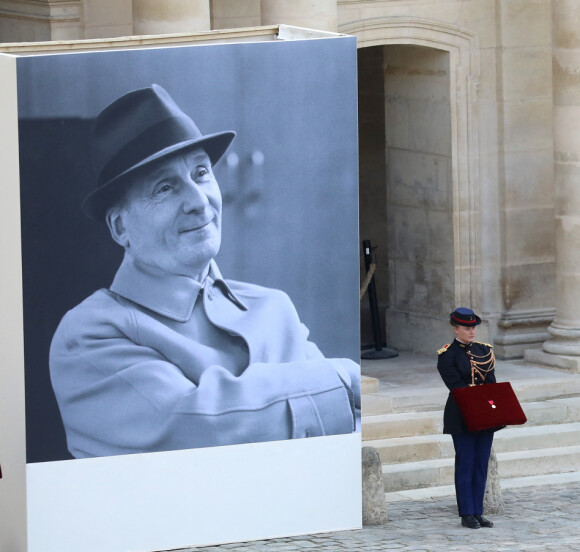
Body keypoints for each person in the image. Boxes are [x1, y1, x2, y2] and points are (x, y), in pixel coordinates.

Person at [49, 84, 360, 459]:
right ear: (120, 228)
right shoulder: (87, 334)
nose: (199, 201)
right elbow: (198, 430)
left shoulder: (274, 308)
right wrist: (343, 379)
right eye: (164, 187)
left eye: (200, 173)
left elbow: (346, 440)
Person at [437, 307, 499, 529]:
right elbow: (457, 387)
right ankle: (467, 513)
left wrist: (493, 407)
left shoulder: (484, 351)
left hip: (484, 416)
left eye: (473, 327)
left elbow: (491, 382)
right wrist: (481, 402)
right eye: (466, 328)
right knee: (466, 463)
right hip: (461, 415)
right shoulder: (447, 355)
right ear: (455, 328)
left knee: (481, 464)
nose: (471, 332)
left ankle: (478, 511)